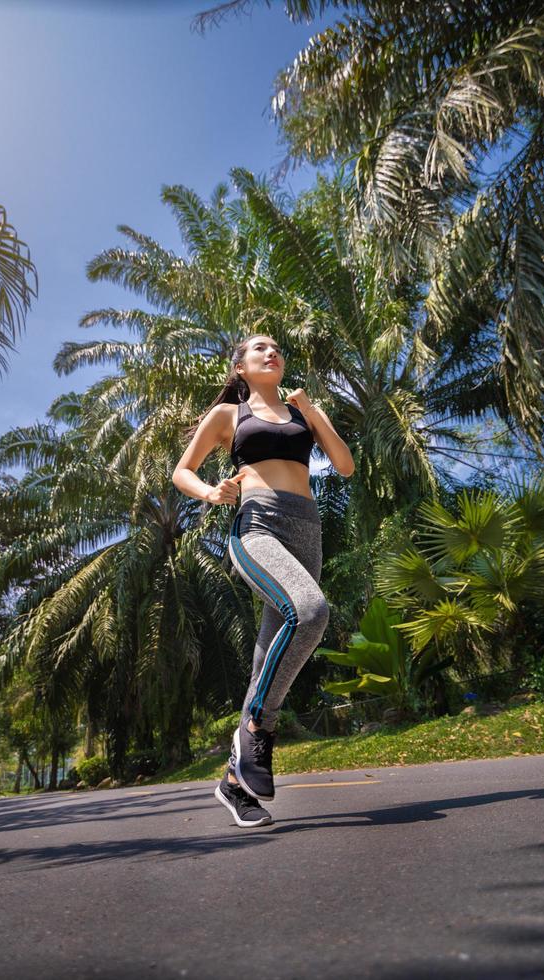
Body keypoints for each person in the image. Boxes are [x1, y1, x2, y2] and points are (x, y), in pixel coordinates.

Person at [173, 335, 354, 828]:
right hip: (258, 525)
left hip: (307, 530)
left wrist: (313, 410)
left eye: (276, 347)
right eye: (259, 348)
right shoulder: (229, 416)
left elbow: (344, 464)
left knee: (268, 654)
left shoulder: (300, 412)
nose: (271, 352)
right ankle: (256, 728)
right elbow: (181, 472)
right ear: (241, 367)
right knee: (311, 611)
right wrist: (213, 492)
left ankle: (234, 786)